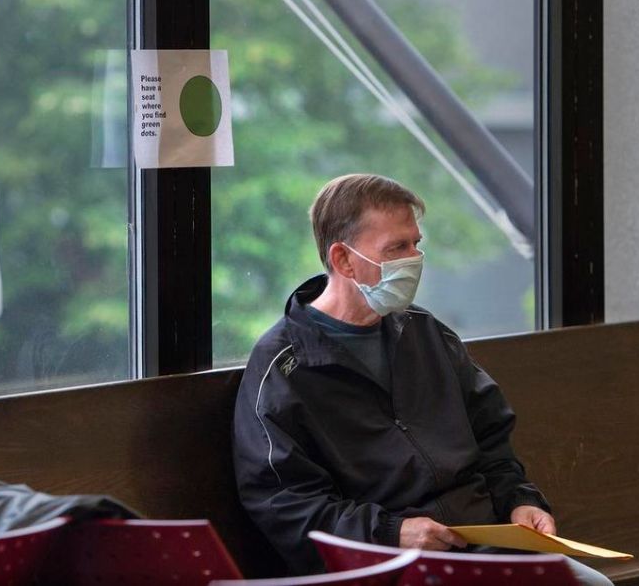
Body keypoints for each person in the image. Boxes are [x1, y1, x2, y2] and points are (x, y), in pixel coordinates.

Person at [232, 174, 612, 586]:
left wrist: (519, 501)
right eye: (397, 247)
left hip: (483, 548)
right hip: (384, 568)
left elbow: (491, 440)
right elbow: (286, 503)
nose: (414, 259)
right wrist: (392, 533)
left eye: (416, 244)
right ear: (343, 260)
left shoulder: (427, 333)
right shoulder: (283, 368)